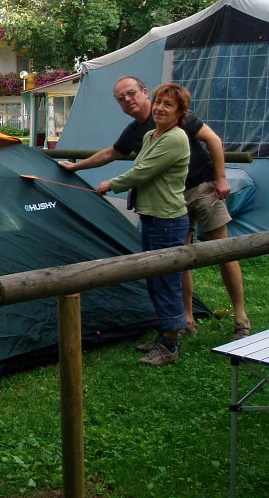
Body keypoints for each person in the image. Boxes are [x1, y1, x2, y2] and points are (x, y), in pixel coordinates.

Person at [60, 76, 250, 340]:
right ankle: (186, 318)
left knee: (223, 250)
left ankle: (240, 316)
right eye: (121, 98)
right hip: (170, 200)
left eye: (131, 93)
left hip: (203, 187)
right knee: (179, 259)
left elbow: (213, 140)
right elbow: (110, 153)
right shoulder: (139, 132)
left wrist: (220, 178)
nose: (127, 100)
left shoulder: (177, 117)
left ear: (144, 92)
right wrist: (76, 166)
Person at [96, 83, 190, 366]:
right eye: (159, 102)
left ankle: (170, 344)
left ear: (180, 111)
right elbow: (138, 166)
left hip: (168, 220)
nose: (160, 108)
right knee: (154, 280)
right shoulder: (150, 135)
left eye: (168, 105)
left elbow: (142, 172)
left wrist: (111, 184)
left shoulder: (176, 138)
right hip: (150, 216)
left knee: (166, 281)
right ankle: (164, 333)